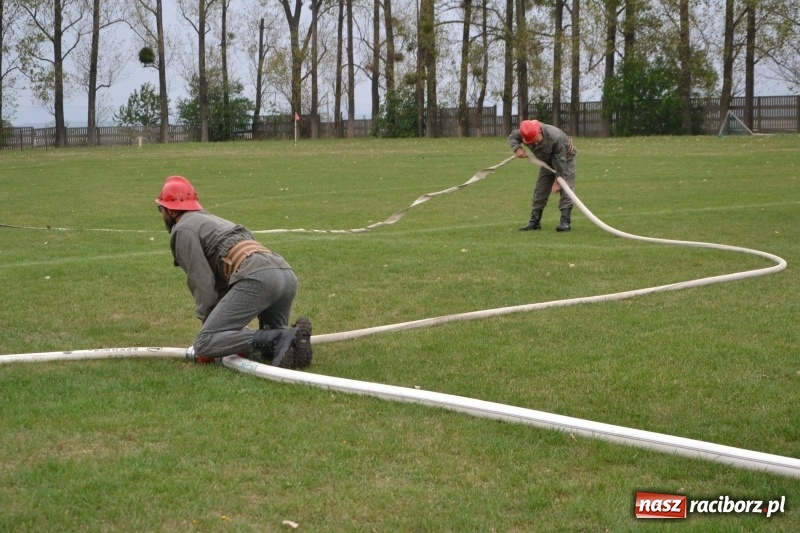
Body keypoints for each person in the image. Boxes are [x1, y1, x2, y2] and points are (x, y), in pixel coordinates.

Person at [155, 175, 312, 368]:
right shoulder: (214, 220)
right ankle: (294, 338)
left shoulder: (183, 230)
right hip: (285, 274)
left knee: (204, 343)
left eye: (160, 209)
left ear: (170, 209)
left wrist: (214, 335)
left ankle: (281, 336)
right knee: (269, 345)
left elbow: (202, 283)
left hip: (258, 277)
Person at [508, 119, 577, 232]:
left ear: (539, 131)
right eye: (530, 142)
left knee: (566, 188)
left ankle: (565, 222)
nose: (534, 144)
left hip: (565, 159)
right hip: (546, 161)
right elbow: (512, 137)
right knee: (540, 189)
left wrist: (558, 181)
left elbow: (560, 161)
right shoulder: (524, 131)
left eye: (536, 140)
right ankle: (534, 222)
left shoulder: (555, 137)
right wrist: (517, 149)